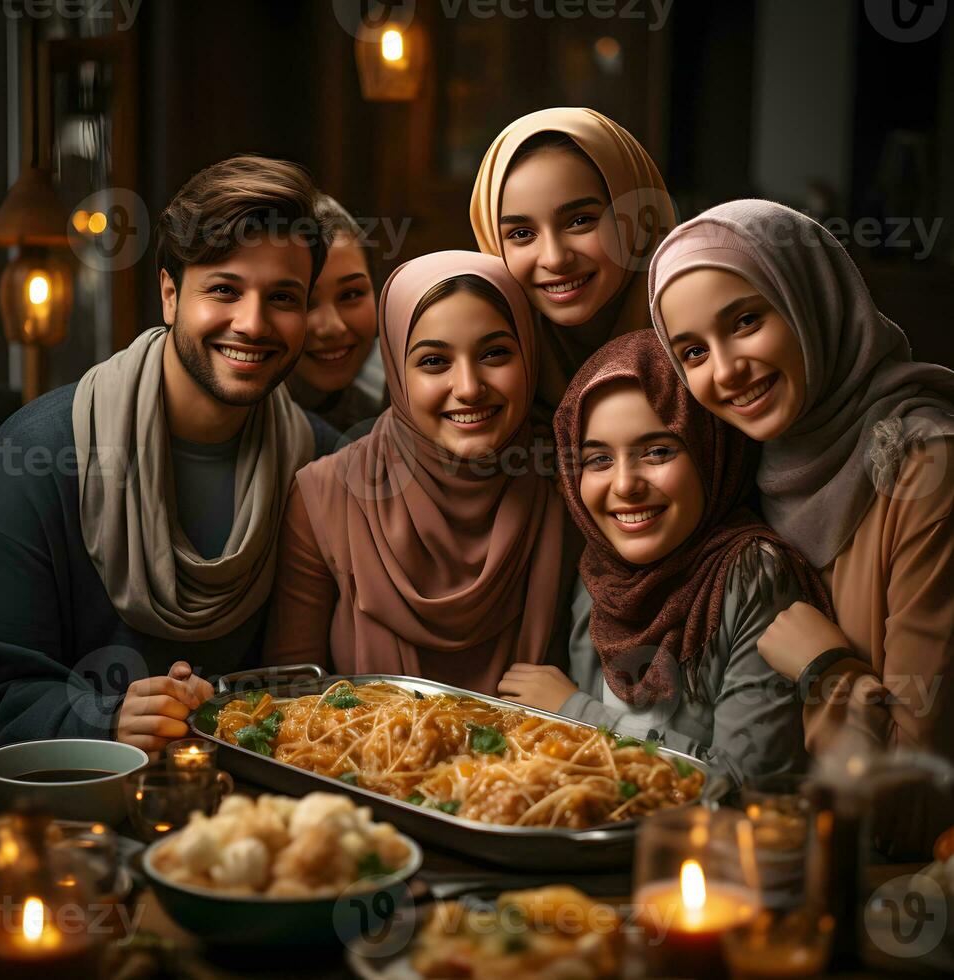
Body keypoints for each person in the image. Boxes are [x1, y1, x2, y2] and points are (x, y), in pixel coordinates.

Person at [0, 155, 337, 753]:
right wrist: (102, 720)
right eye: (224, 289)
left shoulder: (319, 465)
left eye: (283, 297)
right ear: (169, 295)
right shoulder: (34, 455)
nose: (252, 323)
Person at [649, 200, 954, 849]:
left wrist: (824, 668)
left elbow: (911, 805)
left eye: (748, 321)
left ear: (812, 299)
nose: (726, 370)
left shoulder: (924, 467)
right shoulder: (746, 463)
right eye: (693, 351)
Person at [498, 330, 832, 786]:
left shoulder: (753, 574)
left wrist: (573, 713)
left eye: (657, 451)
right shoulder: (600, 570)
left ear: (710, 450)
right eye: (598, 460)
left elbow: (748, 786)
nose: (624, 485)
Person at [264, 251, 576, 694]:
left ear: (529, 353)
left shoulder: (573, 483)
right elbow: (288, 701)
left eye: (495, 353)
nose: (468, 387)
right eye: (434, 362)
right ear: (395, 368)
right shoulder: (327, 495)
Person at [470, 107, 675, 421]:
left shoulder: (701, 350)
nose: (555, 258)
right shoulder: (476, 374)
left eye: (580, 221)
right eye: (522, 233)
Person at [286, 193, 386, 436]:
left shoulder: (401, 397)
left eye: (351, 295)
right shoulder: (236, 423)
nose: (333, 328)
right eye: (305, 301)